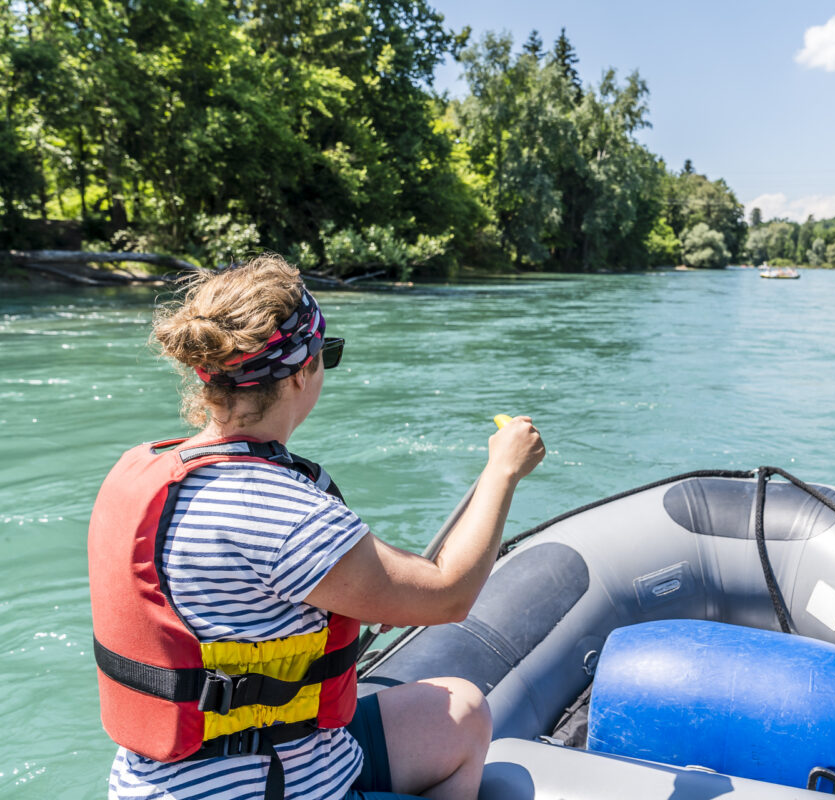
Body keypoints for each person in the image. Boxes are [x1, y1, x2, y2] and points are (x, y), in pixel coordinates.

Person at [88, 254, 545, 800]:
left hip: (158, 780)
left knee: (462, 711)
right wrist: (503, 471)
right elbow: (449, 596)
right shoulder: (277, 509)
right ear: (303, 370)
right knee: (467, 723)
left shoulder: (148, 469)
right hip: (263, 785)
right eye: (328, 354)